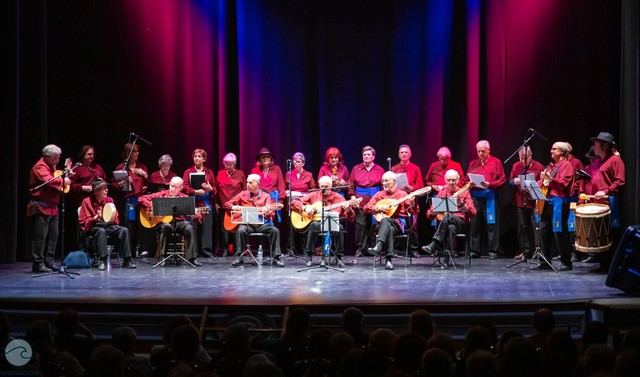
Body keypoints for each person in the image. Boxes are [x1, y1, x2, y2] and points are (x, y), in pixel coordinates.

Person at [291, 176, 355, 267]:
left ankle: (339, 256)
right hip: (318, 223)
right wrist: (305, 207)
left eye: (326, 186)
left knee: (340, 228)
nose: (324, 189)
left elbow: (351, 218)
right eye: (322, 186)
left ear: (331, 185)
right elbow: (294, 203)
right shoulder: (314, 195)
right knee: (313, 225)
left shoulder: (339, 198)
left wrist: (348, 210)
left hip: (332, 223)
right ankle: (309, 256)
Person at [584, 132, 625, 273]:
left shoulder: (615, 160)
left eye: (596, 143)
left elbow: (620, 180)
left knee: (609, 232)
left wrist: (606, 191)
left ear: (604, 145)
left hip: (610, 200)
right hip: (599, 200)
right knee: (602, 234)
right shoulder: (600, 161)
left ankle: (610, 266)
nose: (594, 146)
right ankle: (603, 263)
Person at [138, 177, 202, 267]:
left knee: (189, 227)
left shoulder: (185, 198)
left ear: (181, 187)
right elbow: (141, 198)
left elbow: (196, 216)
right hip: (164, 223)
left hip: (179, 223)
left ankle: (192, 258)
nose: (172, 189)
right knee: (166, 226)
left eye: (176, 187)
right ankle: (162, 257)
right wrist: (152, 205)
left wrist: (197, 214)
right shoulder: (162, 194)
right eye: (171, 186)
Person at [27, 144, 71, 272]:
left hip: (53, 207)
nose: (58, 160)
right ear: (47, 157)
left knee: (53, 236)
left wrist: (66, 174)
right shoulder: (40, 167)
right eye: (56, 157)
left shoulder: (52, 167)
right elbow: (50, 181)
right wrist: (64, 180)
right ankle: (38, 263)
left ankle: (49, 261)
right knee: (40, 237)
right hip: (41, 207)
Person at [224, 174, 284, 267]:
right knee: (240, 230)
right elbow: (227, 204)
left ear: (258, 184)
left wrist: (266, 211)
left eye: (250, 183)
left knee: (275, 230)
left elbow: (272, 213)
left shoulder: (266, 196)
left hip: (261, 225)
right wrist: (234, 206)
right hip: (247, 224)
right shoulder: (242, 194)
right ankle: (240, 257)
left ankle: (276, 258)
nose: (247, 184)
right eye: (247, 182)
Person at [533, 142, 575, 271]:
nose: (551, 151)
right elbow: (545, 182)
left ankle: (566, 262)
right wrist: (534, 183)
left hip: (559, 201)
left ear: (562, 152)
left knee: (560, 232)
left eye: (554, 149)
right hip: (548, 200)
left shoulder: (566, 165)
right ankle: (545, 261)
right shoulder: (553, 166)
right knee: (544, 230)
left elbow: (564, 183)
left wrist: (550, 179)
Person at [78, 179, 135, 270]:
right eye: (104, 189)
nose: (106, 190)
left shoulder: (109, 200)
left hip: (107, 225)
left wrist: (109, 218)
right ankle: (102, 260)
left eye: (106, 188)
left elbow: (115, 217)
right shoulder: (87, 201)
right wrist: (95, 218)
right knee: (101, 231)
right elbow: (82, 221)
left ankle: (127, 260)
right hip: (94, 226)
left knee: (124, 230)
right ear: (96, 191)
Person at [365, 171, 414, 270]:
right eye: (383, 181)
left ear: (394, 182)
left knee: (387, 221)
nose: (384, 183)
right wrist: (377, 209)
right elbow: (366, 207)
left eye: (387, 181)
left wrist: (412, 203)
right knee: (388, 226)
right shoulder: (379, 194)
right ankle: (388, 260)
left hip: (399, 224)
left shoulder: (402, 194)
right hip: (384, 226)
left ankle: (378, 246)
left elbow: (412, 211)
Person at [467, 140, 506, 259]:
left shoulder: (496, 162)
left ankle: (493, 250)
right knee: (475, 224)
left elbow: (503, 179)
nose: (480, 153)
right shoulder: (473, 164)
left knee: (491, 224)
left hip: (490, 196)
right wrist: (470, 183)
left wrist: (490, 184)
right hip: (476, 197)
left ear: (488, 150)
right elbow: (465, 179)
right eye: (478, 151)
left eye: (483, 151)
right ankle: (474, 250)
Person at [423, 169, 476, 255]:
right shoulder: (442, 192)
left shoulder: (464, 193)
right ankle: (448, 256)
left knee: (447, 216)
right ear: (445, 180)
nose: (451, 182)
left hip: (460, 223)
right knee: (450, 227)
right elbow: (429, 214)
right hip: (447, 224)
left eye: (453, 180)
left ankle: (434, 244)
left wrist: (463, 206)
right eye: (449, 180)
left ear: (458, 180)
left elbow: (473, 212)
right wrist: (436, 211)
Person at [508, 146, 544, 260]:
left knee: (536, 227)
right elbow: (510, 181)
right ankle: (525, 252)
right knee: (522, 228)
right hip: (520, 201)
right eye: (520, 158)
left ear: (530, 156)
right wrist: (514, 181)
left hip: (534, 202)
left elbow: (544, 183)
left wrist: (536, 183)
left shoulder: (538, 166)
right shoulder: (516, 166)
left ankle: (538, 251)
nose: (523, 161)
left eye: (525, 158)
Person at [349, 146, 385, 257]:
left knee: (376, 224)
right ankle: (361, 248)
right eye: (364, 154)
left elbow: (384, 186)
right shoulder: (356, 168)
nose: (366, 156)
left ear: (373, 157)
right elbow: (351, 184)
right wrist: (352, 196)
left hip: (375, 198)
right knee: (361, 224)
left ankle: (374, 247)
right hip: (361, 198)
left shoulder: (380, 169)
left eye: (368, 154)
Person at [112, 143, 148, 254]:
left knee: (140, 225)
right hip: (128, 200)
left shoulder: (141, 167)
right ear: (128, 153)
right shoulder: (121, 167)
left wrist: (145, 175)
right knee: (129, 225)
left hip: (140, 200)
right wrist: (123, 183)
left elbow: (147, 183)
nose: (137, 154)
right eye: (134, 152)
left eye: (137, 152)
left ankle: (138, 249)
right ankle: (127, 251)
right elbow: (114, 184)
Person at [182, 148, 217, 258]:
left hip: (206, 202)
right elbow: (184, 187)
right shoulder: (188, 171)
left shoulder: (209, 172)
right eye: (195, 156)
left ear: (204, 159)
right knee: (194, 227)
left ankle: (206, 251)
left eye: (199, 156)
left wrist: (210, 188)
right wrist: (196, 191)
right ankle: (194, 252)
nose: (197, 158)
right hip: (193, 203)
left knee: (207, 228)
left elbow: (215, 189)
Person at [215, 153, 246, 255]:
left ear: (235, 163)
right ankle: (224, 249)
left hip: (236, 207)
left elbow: (245, 190)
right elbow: (216, 189)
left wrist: (243, 204)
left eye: (232, 164)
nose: (230, 166)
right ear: (224, 164)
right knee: (224, 229)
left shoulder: (240, 174)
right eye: (228, 164)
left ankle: (238, 249)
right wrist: (216, 202)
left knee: (236, 228)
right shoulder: (220, 174)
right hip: (223, 206)